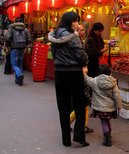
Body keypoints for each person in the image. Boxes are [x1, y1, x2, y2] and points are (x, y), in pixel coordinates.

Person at [48, 12, 89, 147]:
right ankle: (79, 136)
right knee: (79, 104)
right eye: (76, 21)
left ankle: (66, 139)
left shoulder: (54, 35)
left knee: (63, 106)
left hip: (59, 72)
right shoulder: (73, 37)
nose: (77, 24)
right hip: (73, 72)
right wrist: (84, 61)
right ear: (70, 22)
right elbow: (81, 56)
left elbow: (53, 53)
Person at [84, 64, 121, 147]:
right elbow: (116, 96)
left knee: (104, 122)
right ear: (110, 73)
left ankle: (107, 139)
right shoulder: (113, 82)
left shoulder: (95, 81)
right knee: (108, 121)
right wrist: (119, 106)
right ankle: (109, 136)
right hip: (110, 107)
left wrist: (83, 72)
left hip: (100, 107)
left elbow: (87, 79)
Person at [69, 24, 93, 133]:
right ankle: (73, 124)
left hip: (78, 73)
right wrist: (83, 66)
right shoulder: (76, 42)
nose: (83, 32)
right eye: (80, 30)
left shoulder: (79, 41)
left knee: (83, 106)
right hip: (78, 74)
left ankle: (82, 125)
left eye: (83, 30)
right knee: (81, 105)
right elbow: (80, 56)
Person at [5, 16, 32, 86]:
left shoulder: (11, 29)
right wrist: (24, 44)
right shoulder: (25, 30)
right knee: (20, 64)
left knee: (14, 64)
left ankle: (19, 74)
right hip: (22, 49)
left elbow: (7, 38)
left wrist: (11, 44)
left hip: (14, 48)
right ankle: (18, 80)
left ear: (15, 22)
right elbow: (29, 39)